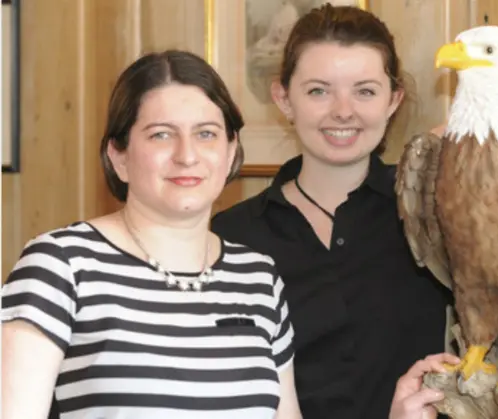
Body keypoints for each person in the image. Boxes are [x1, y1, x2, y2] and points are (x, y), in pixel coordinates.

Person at [1, 50, 302, 419]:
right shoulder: (61, 265)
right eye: (161, 135)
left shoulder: (257, 277)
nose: (186, 155)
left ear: (230, 151)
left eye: (206, 134)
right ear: (119, 156)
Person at [210, 5, 454, 419]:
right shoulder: (231, 236)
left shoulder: (436, 209)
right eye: (319, 91)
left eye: (365, 91)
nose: (343, 111)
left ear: (393, 99)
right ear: (283, 98)